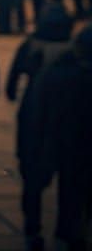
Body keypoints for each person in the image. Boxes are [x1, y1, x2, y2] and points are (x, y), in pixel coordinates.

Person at [6, 4, 74, 248]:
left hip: (34, 114)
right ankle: (66, 227)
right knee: (71, 179)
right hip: (70, 120)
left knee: (31, 173)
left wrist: (11, 91)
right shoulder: (73, 50)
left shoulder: (32, 46)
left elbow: (14, 75)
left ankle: (32, 225)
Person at [27, 24, 92, 251]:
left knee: (37, 183)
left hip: (50, 137)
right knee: (75, 188)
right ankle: (71, 231)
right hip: (82, 143)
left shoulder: (55, 70)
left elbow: (37, 108)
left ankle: (33, 228)